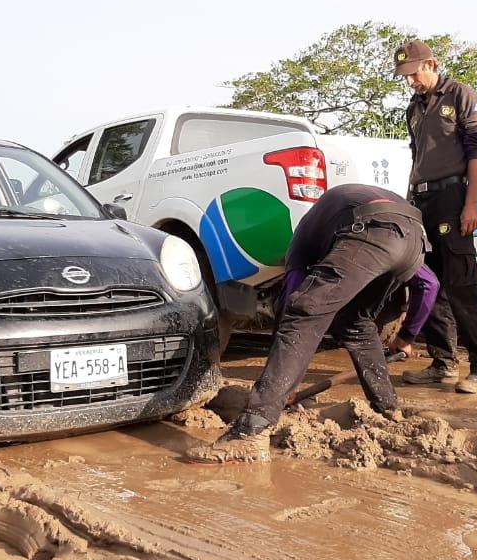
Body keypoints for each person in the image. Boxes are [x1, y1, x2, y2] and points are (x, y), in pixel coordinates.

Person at [186, 184, 438, 464]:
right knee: (356, 323)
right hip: (416, 242)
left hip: (371, 232)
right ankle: (388, 408)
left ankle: (251, 431)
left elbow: (294, 309)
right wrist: (407, 335)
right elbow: (431, 284)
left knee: (303, 311)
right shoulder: (337, 216)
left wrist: (281, 383)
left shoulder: (301, 243)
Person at [393, 40, 477, 395]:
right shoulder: (413, 109)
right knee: (428, 281)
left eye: (414, 74)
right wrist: (409, 204)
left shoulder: (459, 95)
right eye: (404, 77)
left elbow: (474, 152)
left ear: (432, 64)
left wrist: (471, 205)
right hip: (422, 200)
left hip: (454, 198)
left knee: (460, 284)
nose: (411, 82)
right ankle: (443, 362)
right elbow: (416, 157)